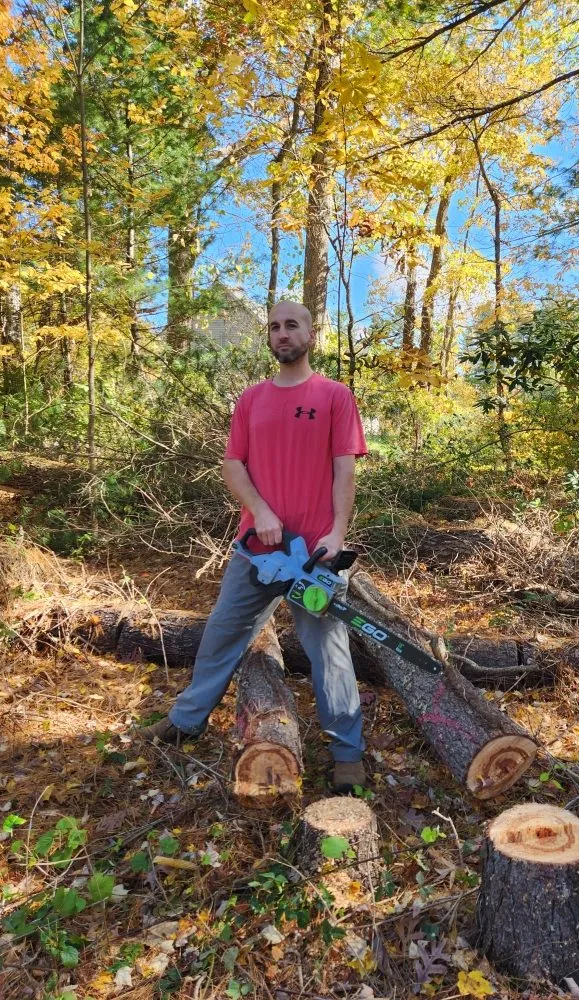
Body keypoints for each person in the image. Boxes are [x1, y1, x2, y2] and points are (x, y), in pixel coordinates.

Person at [141, 301, 368, 793]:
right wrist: (261, 511)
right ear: (268, 337)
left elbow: (345, 468)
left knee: (329, 653)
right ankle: (186, 721)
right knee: (222, 632)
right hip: (256, 551)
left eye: (292, 325)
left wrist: (336, 535)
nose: (282, 334)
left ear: (311, 332)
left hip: (313, 559)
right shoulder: (250, 400)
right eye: (275, 327)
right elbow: (233, 465)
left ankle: (347, 756)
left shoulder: (334, 396)